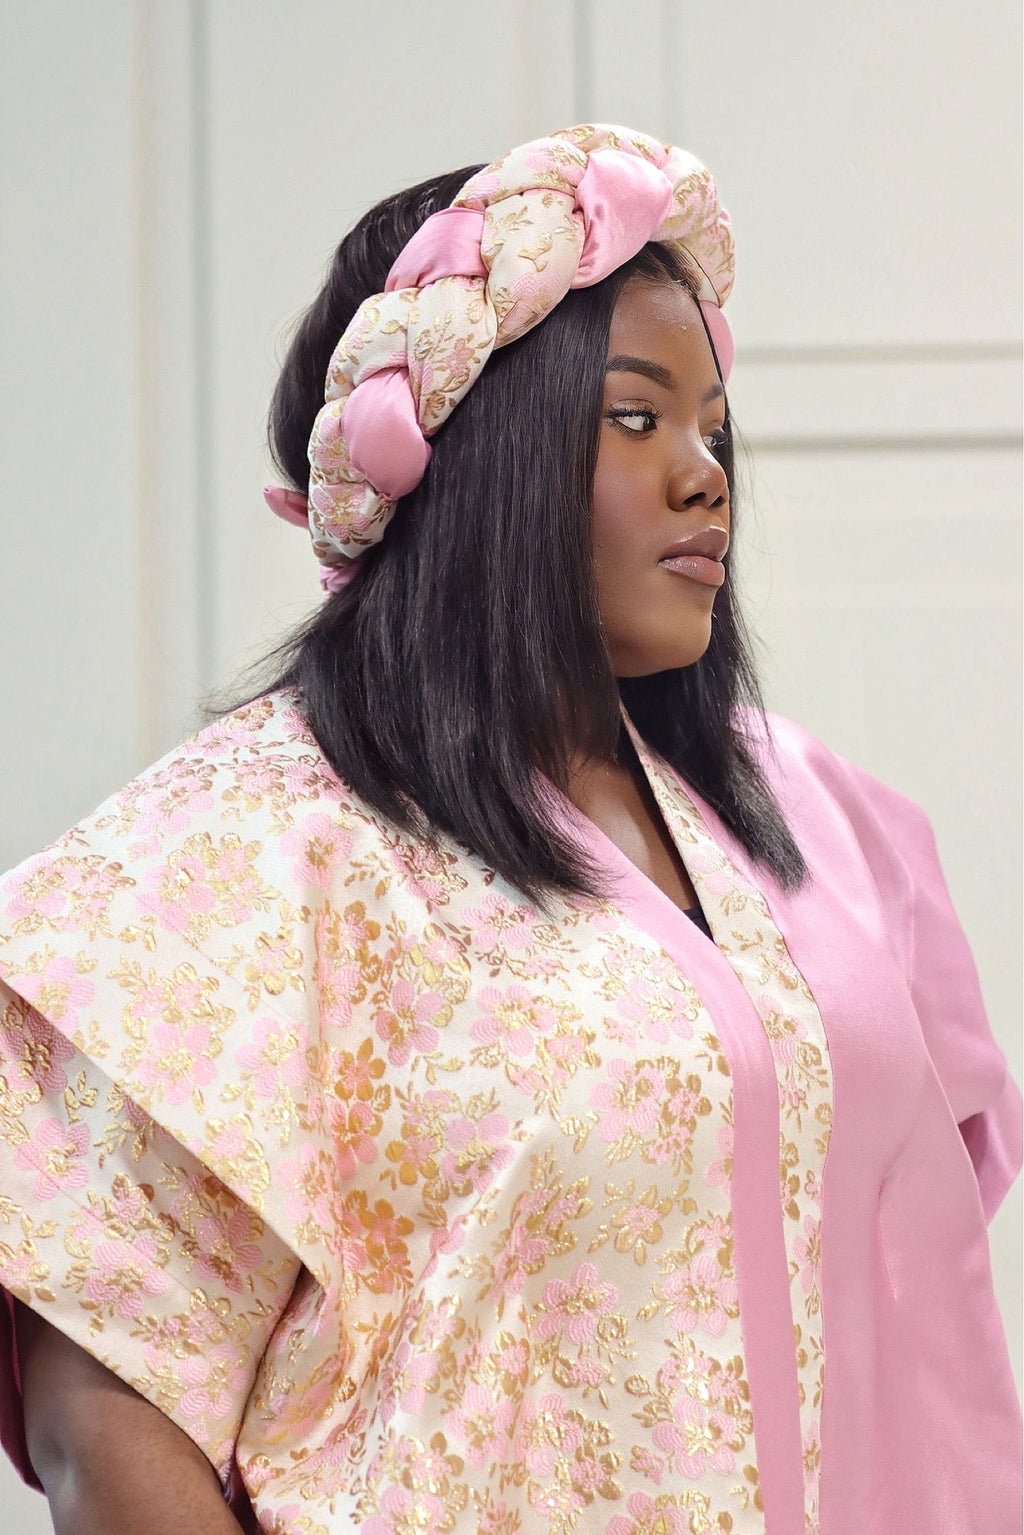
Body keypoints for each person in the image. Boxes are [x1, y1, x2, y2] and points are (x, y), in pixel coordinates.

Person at [0, 124, 1019, 1535]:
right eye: (636, 419)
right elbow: (107, 1425)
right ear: (480, 453)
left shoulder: (825, 821)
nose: (707, 474)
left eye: (712, 427)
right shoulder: (234, 860)